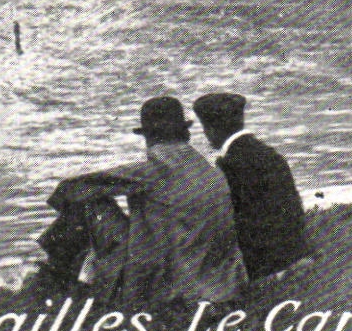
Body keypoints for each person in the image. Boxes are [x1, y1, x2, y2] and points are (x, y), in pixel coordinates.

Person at [38, 96, 246, 319]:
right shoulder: (210, 171)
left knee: (90, 200)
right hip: (221, 285)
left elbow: (69, 188)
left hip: (171, 287)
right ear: (185, 134)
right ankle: (70, 275)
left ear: (150, 138)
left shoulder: (151, 171)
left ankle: (57, 276)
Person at [192, 93, 310, 282]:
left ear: (211, 129)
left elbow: (231, 221)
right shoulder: (268, 153)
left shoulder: (230, 163)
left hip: (262, 262)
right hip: (291, 250)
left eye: (204, 128)